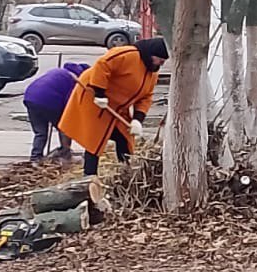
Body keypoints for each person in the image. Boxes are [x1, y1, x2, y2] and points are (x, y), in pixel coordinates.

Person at [58, 37, 170, 176]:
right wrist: (99, 92)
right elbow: (103, 64)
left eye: (163, 62)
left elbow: (146, 97)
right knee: (95, 139)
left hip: (117, 108)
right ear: (151, 54)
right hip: (94, 98)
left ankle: (126, 173)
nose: (161, 64)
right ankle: (89, 177)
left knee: (125, 137)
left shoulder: (152, 73)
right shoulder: (128, 54)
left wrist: (137, 119)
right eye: (160, 60)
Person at [22, 61, 88, 161]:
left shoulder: (59, 71)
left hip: (30, 97)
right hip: (48, 100)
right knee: (64, 127)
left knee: (40, 132)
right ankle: (65, 153)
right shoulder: (75, 81)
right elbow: (69, 104)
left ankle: (35, 158)